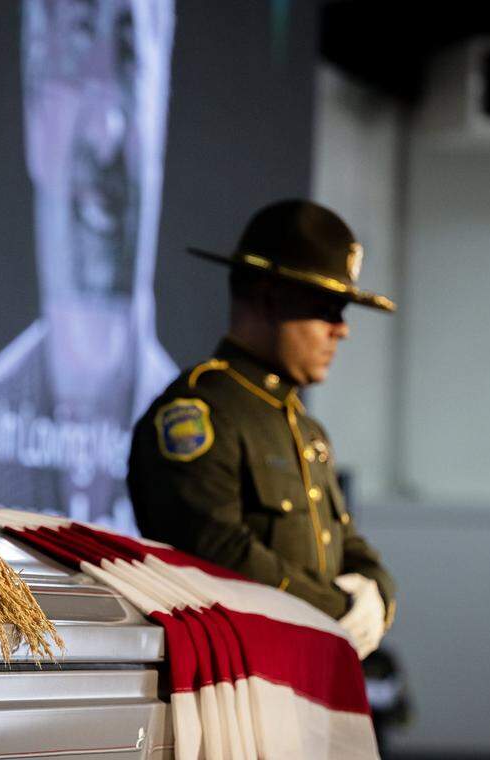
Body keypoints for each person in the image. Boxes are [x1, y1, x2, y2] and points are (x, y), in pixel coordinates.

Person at [0, 0, 176, 531]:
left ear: (162, 102)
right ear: (34, 112)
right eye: (75, 58)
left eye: (130, 59)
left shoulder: (198, 446)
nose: (105, 129)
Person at [127, 199, 397, 658]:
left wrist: (377, 593)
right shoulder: (199, 411)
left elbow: (345, 541)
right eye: (329, 308)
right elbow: (214, 549)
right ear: (270, 297)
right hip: (238, 677)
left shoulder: (307, 430)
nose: (342, 330)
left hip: (308, 671)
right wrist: (338, 610)